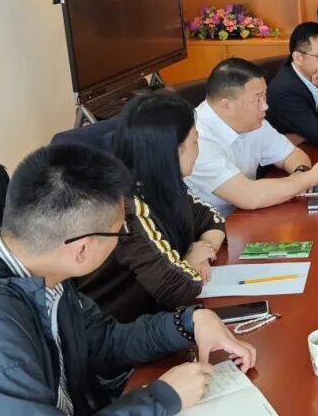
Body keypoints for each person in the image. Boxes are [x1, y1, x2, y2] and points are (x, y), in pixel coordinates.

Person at [0, 144, 255, 416]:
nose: (121, 239)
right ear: (81, 249)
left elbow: (100, 342)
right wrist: (164, 397)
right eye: (119, 232)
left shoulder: (38, 269)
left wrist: (188, 322)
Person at [77, 94, 225, 323]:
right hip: (117, 331)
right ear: (171, 151)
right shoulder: (126, 209)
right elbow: (177, 289)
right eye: (195, 141)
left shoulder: (161, 184)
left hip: (155, 318)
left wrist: (202, 252)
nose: (199, 150)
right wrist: (189, 264)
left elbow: (210, 218)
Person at [187, 57, 318, 217]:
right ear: (226, 106)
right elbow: (249, 196)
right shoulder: (197, 139)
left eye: (264, 96)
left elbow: (292, 154)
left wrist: (300, 174)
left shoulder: (252, 121)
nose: (265, 106)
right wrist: (308, 179)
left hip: (246, 217)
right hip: (212, 230)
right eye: (258, 99)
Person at [265, 22, 318, 147]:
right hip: (288, 155)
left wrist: (305, 135)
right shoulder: (286, 91)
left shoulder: (313, 76)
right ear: (298, 58)